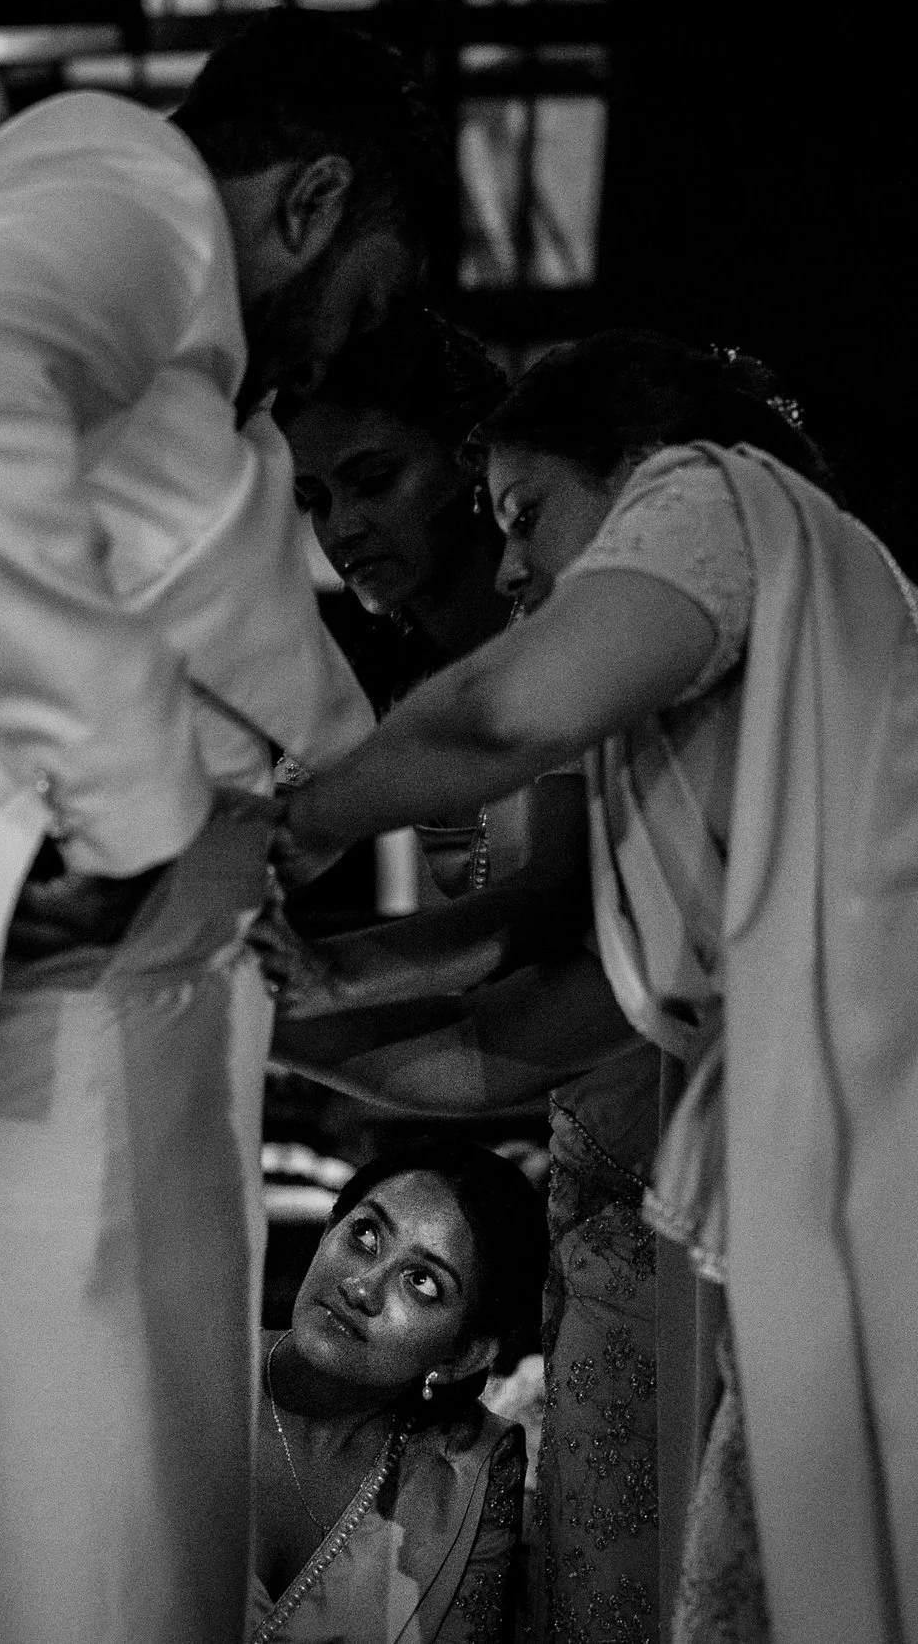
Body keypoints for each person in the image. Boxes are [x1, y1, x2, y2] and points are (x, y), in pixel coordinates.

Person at [281, 330, 918, 1643]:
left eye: (525, 512)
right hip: (835, 1140)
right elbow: (535, 1025)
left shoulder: (713, 493)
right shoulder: (683, 761)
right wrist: (275, 1015)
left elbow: (503, 719)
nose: (507, 565)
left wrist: (291, 822)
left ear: (635, 464)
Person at [0, 9, 438, 1642]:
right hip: (65, 1004)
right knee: (81, 1558)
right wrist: (129, 803)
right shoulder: (135, 190)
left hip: (43, 996)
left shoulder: (163, 374)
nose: (343, 350)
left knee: (49, 1558)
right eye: (370, 294)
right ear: (311, 200)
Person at [270, 313, 669, 1642]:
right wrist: (264, 1012)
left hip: (683, 1131)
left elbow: (539, 918)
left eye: (373, 478)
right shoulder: (418, 683)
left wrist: (304, 972)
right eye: (314, 498)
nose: (342, 527)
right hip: (594, 1142)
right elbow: (504, 1001)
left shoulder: (550, 656)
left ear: (472, 459)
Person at [253, 1138, 542, 1644]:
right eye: (365, 1234)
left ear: (461, 1356)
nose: (362, 1288)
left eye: (423, 1282)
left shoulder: (463, 1480)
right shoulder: (190, 1375)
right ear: (328, 1230)